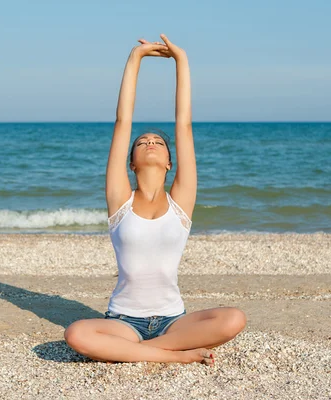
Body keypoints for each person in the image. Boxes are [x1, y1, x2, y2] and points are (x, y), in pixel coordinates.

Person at [64, 34, 246, 366]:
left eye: (158, 142)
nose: (150, 142)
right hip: (123, 322)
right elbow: (122, 121)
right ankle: (173, 356)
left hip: (174, 320)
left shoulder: (181, 202)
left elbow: (184, 125)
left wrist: (181, 60)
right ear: (131, 162)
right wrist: (135, 57)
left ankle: (148, 352)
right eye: (143, 142)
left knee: (234, 319)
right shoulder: (120, 200)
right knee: (76, 334)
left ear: (169, 163)